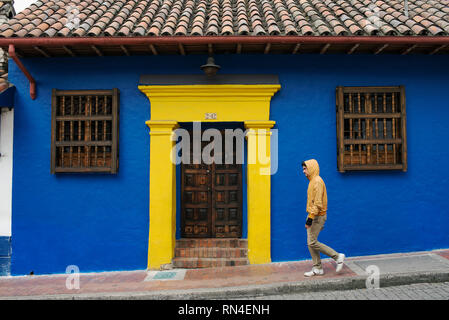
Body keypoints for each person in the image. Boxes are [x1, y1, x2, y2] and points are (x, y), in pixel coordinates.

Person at [301, 159, 345, 277]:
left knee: (312, 242)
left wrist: (310, 218)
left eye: (305, 169)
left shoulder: (317, 181)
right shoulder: (312, 181)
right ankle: (318, 268)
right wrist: (309, 216)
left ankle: (337, 256)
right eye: (303, 169)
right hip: (312, 215)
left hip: (317, 216)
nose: (303, 171)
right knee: (310, 243)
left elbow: (318, 203)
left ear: (311, 168)